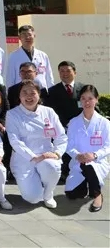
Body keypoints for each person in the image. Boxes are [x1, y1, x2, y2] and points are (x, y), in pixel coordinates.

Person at [6, 80, 67, 209]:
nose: (29, 96)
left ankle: (48, 194)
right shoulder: (12, 114)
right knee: (33, 198)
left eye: (32, 93)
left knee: (52, 166)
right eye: (24, 92)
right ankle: (37, 187)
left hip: (46, 156)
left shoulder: (49, 112)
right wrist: (33, 157)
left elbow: (61, 136)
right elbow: (15, 141)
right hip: (23, 159)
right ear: (19, 96)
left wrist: (57, 153)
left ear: (39, 95)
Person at [65, 85, 109, 213]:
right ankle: (87, 182)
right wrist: (77, 155)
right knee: (72, 194)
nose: (87, 102)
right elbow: (69, 145)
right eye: (83, 98)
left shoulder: (104, 123)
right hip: (78, 162)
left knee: (89, 166)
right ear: (80, 101)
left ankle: (97, 195)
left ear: (96, 99)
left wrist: (94, 155)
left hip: (97, 162)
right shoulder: (73, 122)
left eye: (90, 98)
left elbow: (108, 146)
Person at [46, 60, 87, 181]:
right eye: (61, 71)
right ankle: (64, 172)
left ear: (75, 72)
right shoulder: (52, 91)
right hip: (62, 126)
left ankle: (84, 170)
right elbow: (52, 111)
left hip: (81, 125)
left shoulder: (84, 89)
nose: (65, 74)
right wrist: (65, 124)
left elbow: (92, 107)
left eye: (68, 71)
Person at [6, 25, 54, 90]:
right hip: (22, 91)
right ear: (19, 37)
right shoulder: (13, 56)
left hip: (41, 91)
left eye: (29, 35)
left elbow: (49, 77)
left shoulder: (43, 55)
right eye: (24, 35)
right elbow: (10, 79)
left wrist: (51, 92)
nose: (27, 37)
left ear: (34, 36)